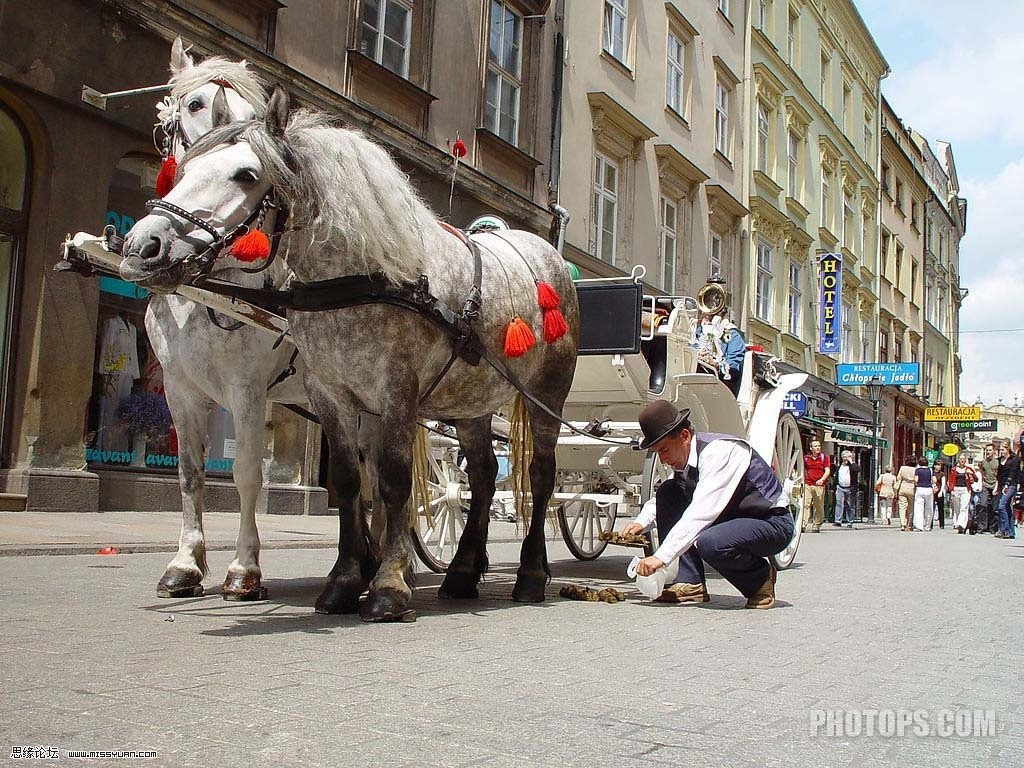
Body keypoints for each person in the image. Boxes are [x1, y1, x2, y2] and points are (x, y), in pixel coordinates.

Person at [623, 400, 793, 609]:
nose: (663, 459)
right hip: (731, 521)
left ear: (684, 436)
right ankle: (690, 581)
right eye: (658, 452)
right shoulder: (685, 459)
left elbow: (701, 512)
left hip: (769, 522)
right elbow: (665, 497)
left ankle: (759, 580)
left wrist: (660, 557)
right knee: (669, 492)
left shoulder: (720, 452)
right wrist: (641, 523)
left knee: (711, 542)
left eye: (664, 450)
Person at [802, 439, 831, 533]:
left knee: (818, 506)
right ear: (811, 448)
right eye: (815, 446)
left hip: (819, 485)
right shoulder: (806, 458)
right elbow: (802, 469)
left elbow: (827, 470)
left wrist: (822, 479)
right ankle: (803, 524)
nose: (818, 448)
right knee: (806, 504)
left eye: (819, 446)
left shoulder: (823, 458)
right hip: (808, 483)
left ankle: (816, 525)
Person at [994, 441, 1021, 540]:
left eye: (1003, 449)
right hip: (1001, 484)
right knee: (1007, 507)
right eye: (1000, 450)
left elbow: (1013, 473)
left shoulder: (1014, 459)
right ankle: (1011, 532)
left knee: (1001, 505)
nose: (1001, 451)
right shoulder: (1000, 460)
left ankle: (1004, 530)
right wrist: (997, 486)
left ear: (1008, 449)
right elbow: (998, 475)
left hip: (1011, 485)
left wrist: (1007, 484)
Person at [947, 454, 976, 534]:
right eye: (960, 459)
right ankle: (959, 523)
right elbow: (950, 480)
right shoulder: (954, 469)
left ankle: (961, 525)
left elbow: (976, 479)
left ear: (966, 460)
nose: (962, 460)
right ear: (958, 460)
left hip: (965, 490)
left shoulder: (968, 469)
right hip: (956, 489)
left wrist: (971, 474)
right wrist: (951, 489)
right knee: (957, 508)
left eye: (963, 459)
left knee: (964, 507)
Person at [976, 443, 999, 534]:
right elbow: (982, 472)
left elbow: (999, 476)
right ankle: (981, 526)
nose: (988, 452)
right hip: (985, 485)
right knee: (983, 504)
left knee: (994, 508)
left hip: (995, 485)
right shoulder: (983, 462)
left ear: (994, 451)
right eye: (987, 450)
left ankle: (993, 527)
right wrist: (981, 484)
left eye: (990, 450)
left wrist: (996, 487)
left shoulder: (997, 462)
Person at [832, 450, 858, 528]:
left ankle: (850, 521)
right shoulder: (840, 466)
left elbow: (857, 469)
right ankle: (838, 521)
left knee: (850, 505)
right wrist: (834, 487)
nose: (845, 458)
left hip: (850, 488)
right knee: (839, 504)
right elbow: (836, 477)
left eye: (847, 457)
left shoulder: (852, 466)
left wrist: (851, 461)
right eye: (844, 457)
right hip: (840, 487)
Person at [894, 457, 917, 532]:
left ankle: (902, 524)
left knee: (902, 507)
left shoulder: (902, 468)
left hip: (902, 488)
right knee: (911, 507)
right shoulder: (915, 469)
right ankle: (909, 524)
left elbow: (898, 478)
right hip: (912, 488)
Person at [912, 456, 934, 531]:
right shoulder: (930, 470)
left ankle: (919, 526)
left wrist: (916, 483)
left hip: (920, 488)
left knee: (918, 508)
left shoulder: (917, 470)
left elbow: (916, 480)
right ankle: (928, 526)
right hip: (929, 489)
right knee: (929, 508)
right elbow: (933, 479)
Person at [931, 461, 947, 530]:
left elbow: (943, 484)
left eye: (940, 465)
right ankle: (930, 523)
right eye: (938, 465)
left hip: (939, 491)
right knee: (931, 508)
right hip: (932, 491)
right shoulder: (931, 473)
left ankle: (942, 524)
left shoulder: (942, 474)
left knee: (941, 509)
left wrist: (941, 492)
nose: (939, 467)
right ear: (934, 466)